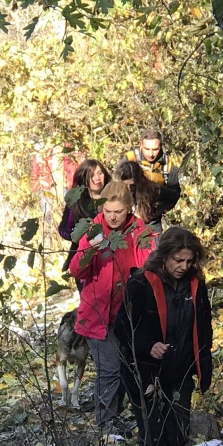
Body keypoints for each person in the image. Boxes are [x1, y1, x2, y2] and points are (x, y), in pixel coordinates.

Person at [114, 226, 215, 446]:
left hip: (181, 371)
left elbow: (204, 327)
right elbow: (122, 328)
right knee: (152, 434)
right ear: (164, 256)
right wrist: (149, 346)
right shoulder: (141, 284)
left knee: (178, 435)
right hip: (143, 373)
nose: (184, 266)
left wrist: (204, 366)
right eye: (178, 260)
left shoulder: (195, 284)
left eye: (189, 260)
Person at [69, 181, 156, 430]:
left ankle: (115, 420)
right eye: (108, 211)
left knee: (126, 368)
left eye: (118, 211)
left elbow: (148, 267)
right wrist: (92, 250)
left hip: (128, 313)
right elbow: (76, 270)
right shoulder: (94, 229)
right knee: (109, 369)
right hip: (96, 313)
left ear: (128, 209)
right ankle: (105, 425)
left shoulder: (138, 229)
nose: (113, 217)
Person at [59, 157, 109, 280]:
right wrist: (82, 237)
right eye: (91, 175)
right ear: (84, 178)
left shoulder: (114, 196)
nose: (97, 178)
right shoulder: (77, 202)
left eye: (99, 173)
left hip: (110, 257)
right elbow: (63, 229)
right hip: (85, 259)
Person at [123, 126, 181, 224]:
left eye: (155, 149)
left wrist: (154, 212)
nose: (151, 154)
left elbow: (175, 194)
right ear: (140, 144)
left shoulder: (168, 163)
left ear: (161, 146)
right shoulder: (130, 159)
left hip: (153, 218)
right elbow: (115, 187)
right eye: (147, 149)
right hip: (128, 217)